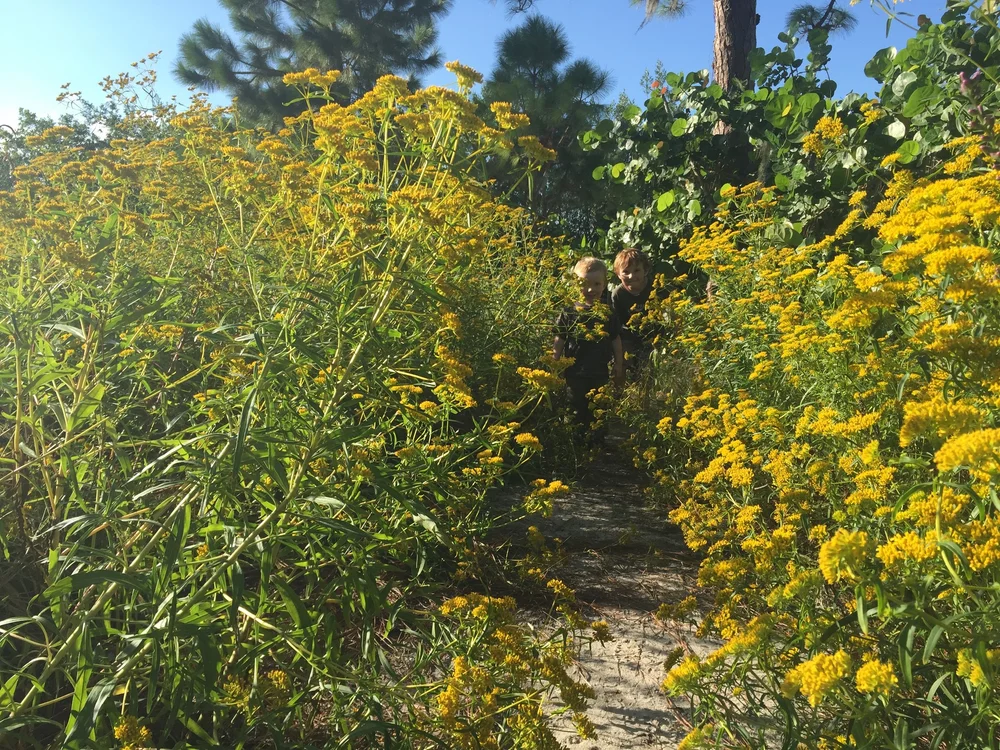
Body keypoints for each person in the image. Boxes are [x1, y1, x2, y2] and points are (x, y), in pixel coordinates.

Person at [553, 257, 624, 439]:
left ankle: (597, 443)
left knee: (599, 408)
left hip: (600, 371)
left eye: (596, 284)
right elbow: (560, 338)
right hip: (574, 372)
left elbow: (615, 338)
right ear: (574, 283)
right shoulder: (569, 311)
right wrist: (554, 362)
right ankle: (573, 443)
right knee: (574, 407)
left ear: (604, 285)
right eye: (584, 284)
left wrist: (619, 363)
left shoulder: (607, 312)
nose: (590, 289)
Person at [610, 247, 656, 367]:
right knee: (624, 360)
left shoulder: (656, 288)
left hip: (654, 334)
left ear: (645, 271)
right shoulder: (618, 294)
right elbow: (617, 324)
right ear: (618, 274)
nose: (631, 276)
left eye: (636, 271)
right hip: (629, 335)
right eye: (626, 272)